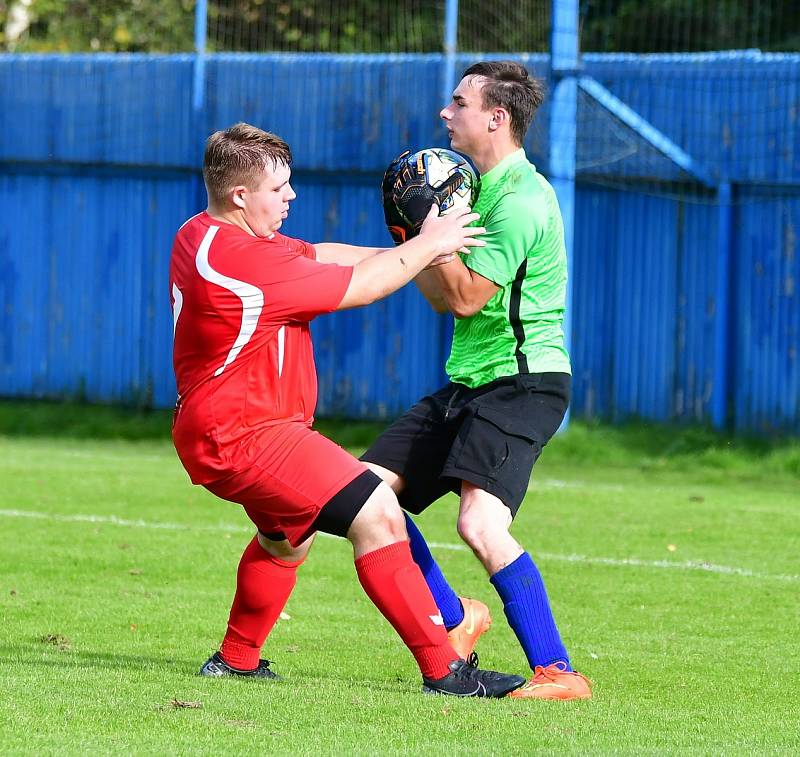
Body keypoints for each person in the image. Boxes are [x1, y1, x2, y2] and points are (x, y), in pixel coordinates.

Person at [168, 122, 526, 698]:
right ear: (241, 195)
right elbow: (359, 286)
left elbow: (322, 255)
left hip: (223, 429)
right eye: (279, 188)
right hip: (248, 435)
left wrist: (418, 251)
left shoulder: (204, 234)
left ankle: (236, 659)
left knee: (287, 540)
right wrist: (427, 245)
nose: (291, 197)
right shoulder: (245, 264)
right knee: (378, 512)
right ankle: (446, 671)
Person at [362, 61, 593, 700]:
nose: (446, 113)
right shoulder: (477, 190)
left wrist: (430, 239)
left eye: (458, 103)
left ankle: (557, 671)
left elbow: (463, 298)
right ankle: (458, 616)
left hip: (523, 384)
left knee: (479, 525)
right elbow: (444, 297)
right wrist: (421, 236)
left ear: (496, 117)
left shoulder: (520, 198)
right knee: (363, 496)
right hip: (470, 382)